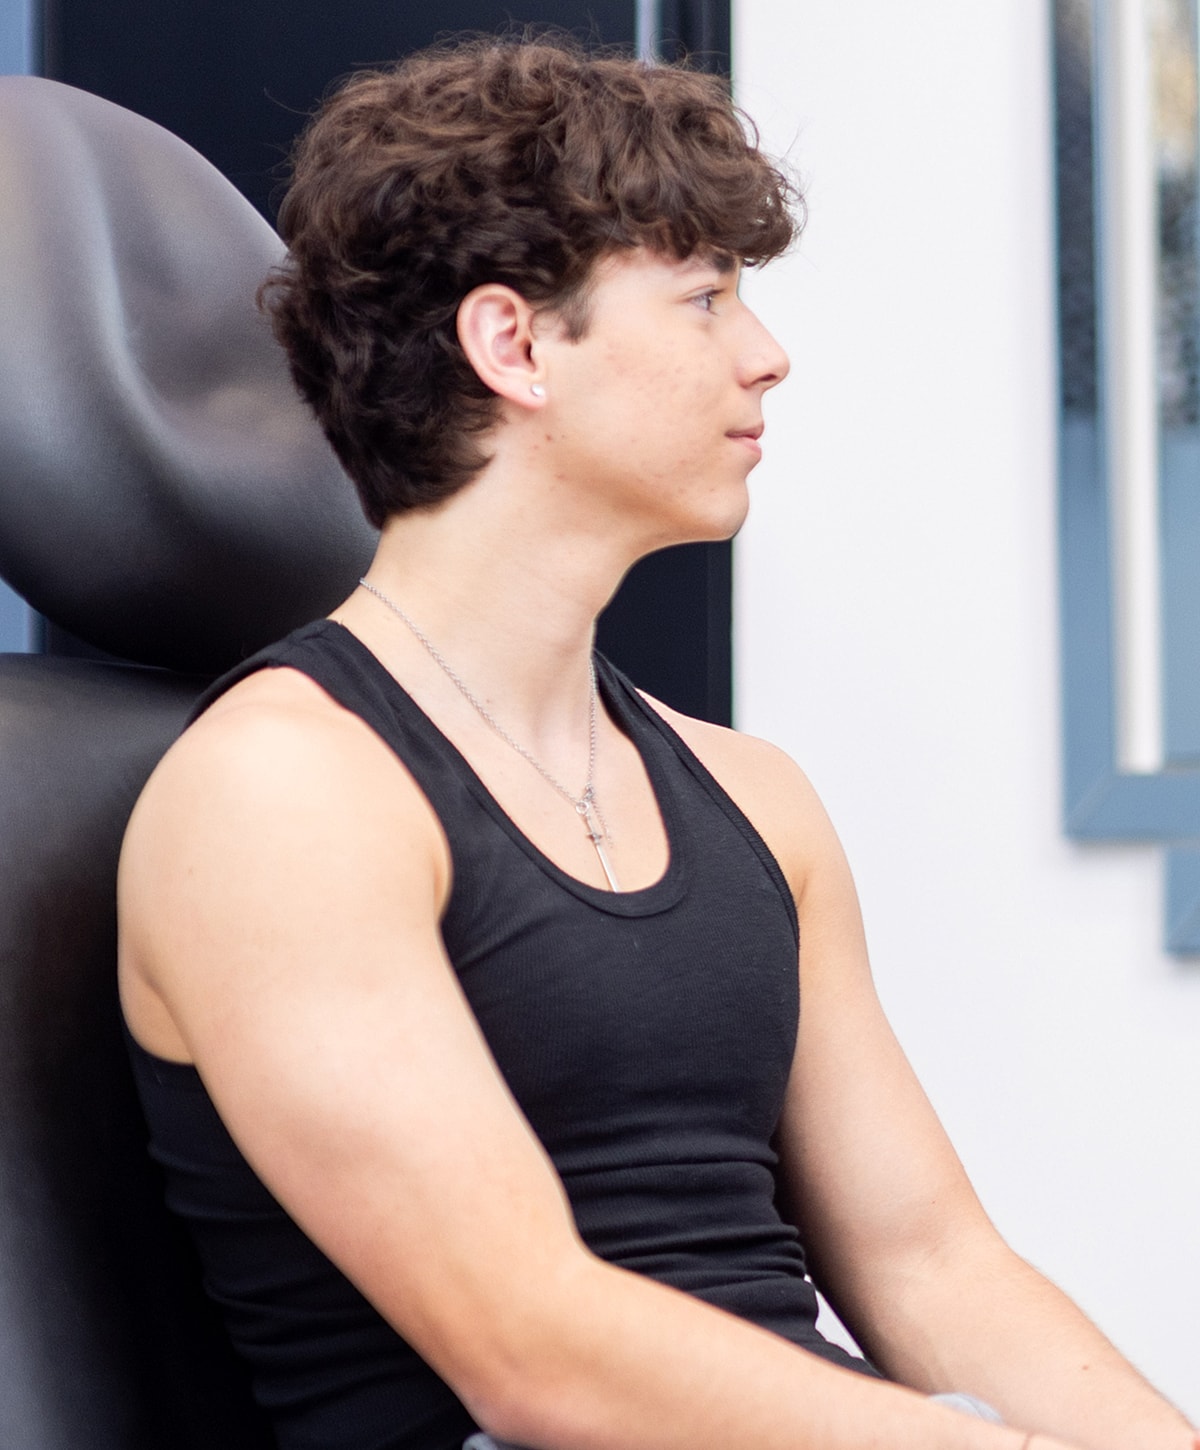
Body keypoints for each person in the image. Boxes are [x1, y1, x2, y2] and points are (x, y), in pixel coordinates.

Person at [117, 34, 1197, 1450]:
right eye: (702, 300)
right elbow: (534, 1347)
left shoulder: (757, 799)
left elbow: (939, 1265)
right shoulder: (284, 793)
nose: (766, 353)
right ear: (512, 344)